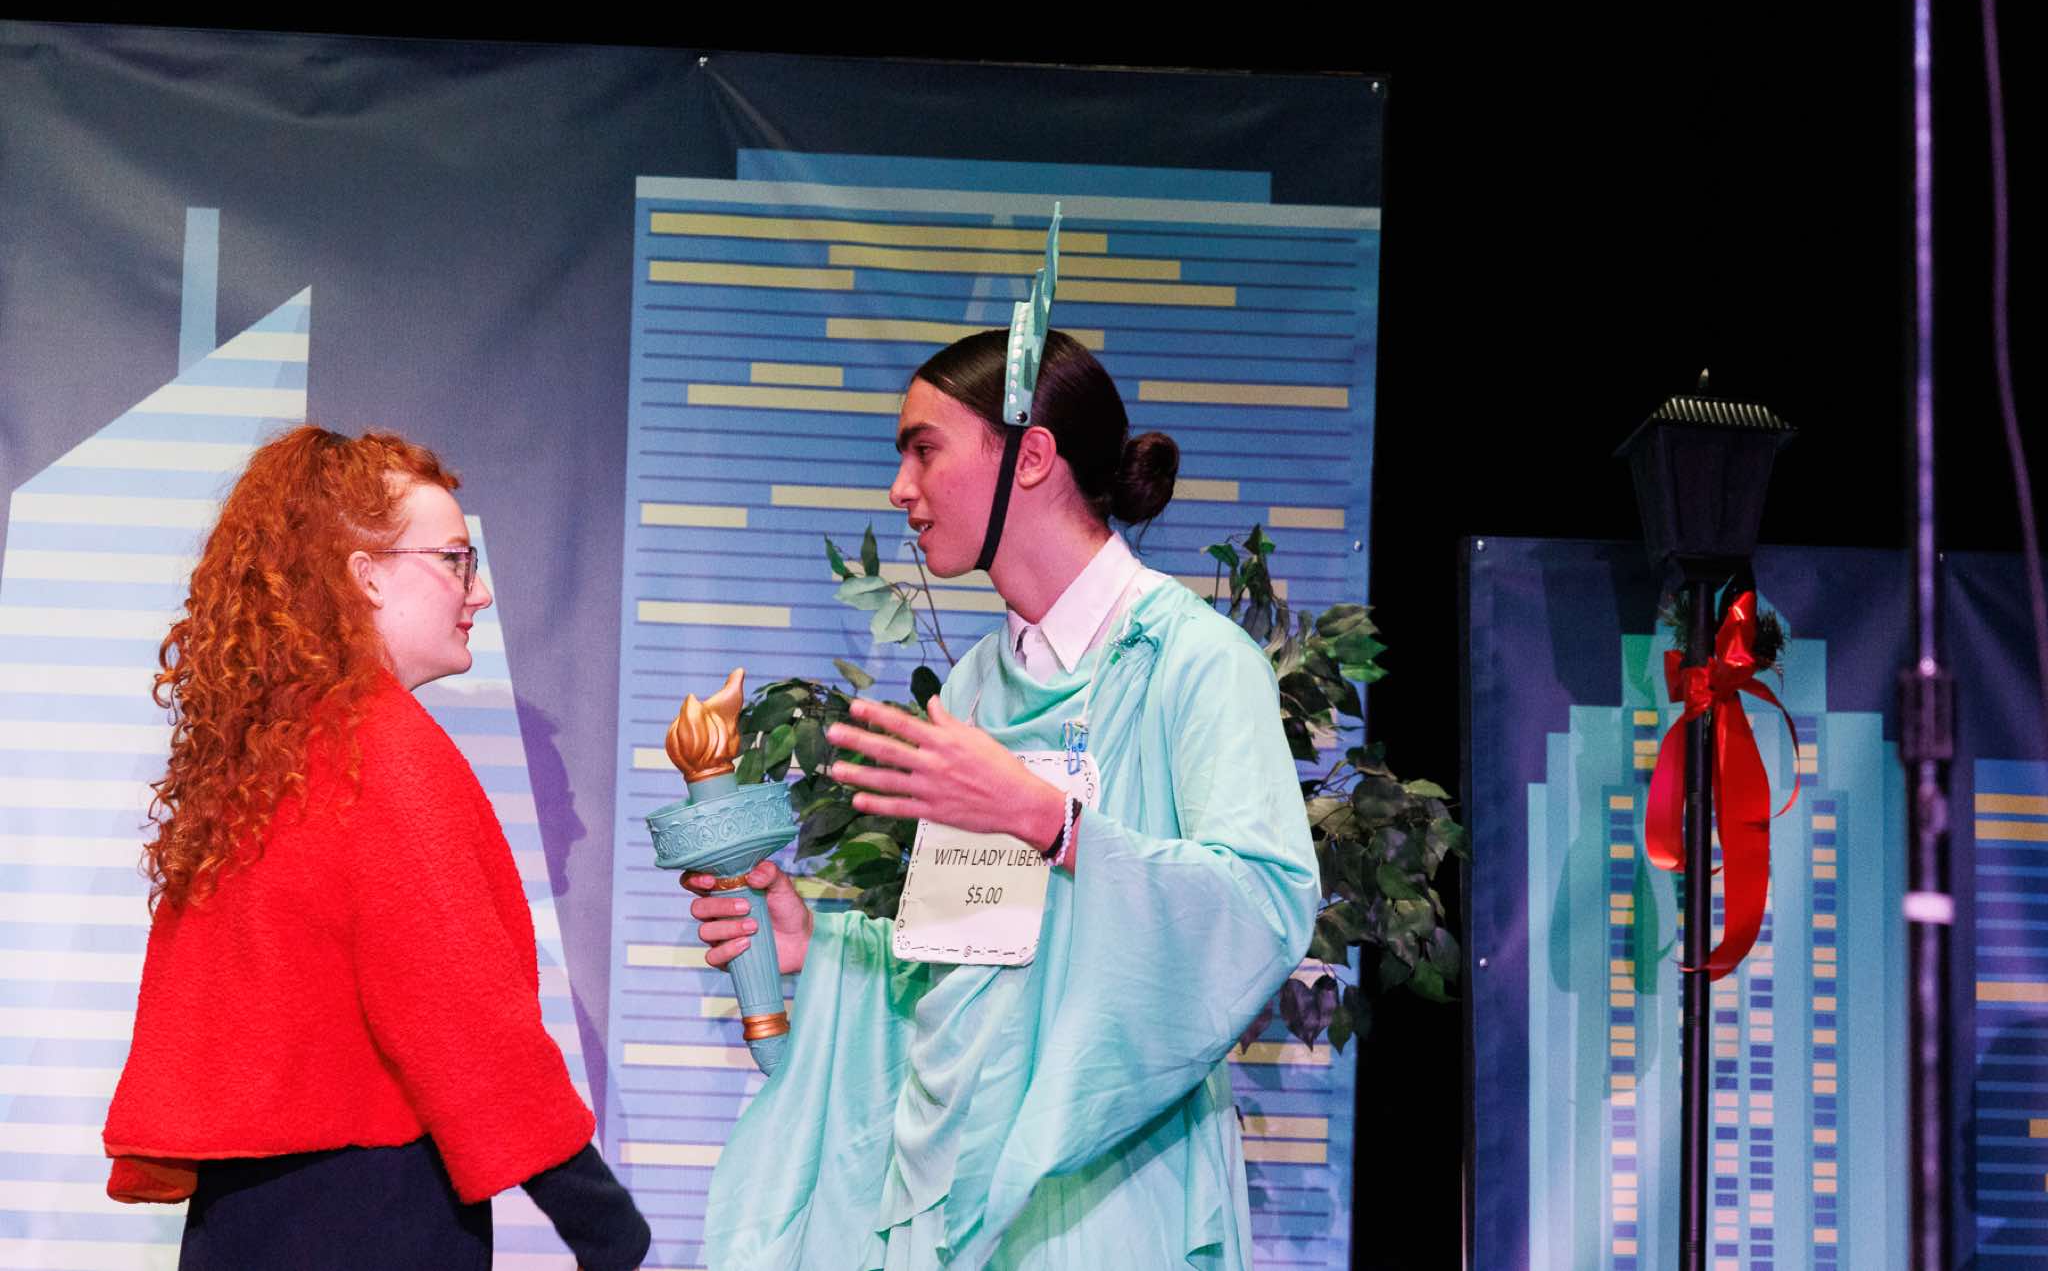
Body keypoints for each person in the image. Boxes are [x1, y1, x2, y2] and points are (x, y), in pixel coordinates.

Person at [685, 330, 1320, 1270]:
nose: (899, 488)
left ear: (1030, 456)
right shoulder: (978, 683)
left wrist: (1046, 818)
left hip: (1109, 1194)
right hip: (952, 1187)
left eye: (924, 448)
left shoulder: (1196, 662)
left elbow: (1263, 909)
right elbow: (975, 958)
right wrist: (817, 951)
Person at [101, 426, 649, 1271]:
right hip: (367, 1221)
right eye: (457, 559)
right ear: (366, 576)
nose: (480, 590)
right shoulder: (376, 747)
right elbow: (457, 1008)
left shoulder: (269, 751)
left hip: (237, 1222)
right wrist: (602, 1220)